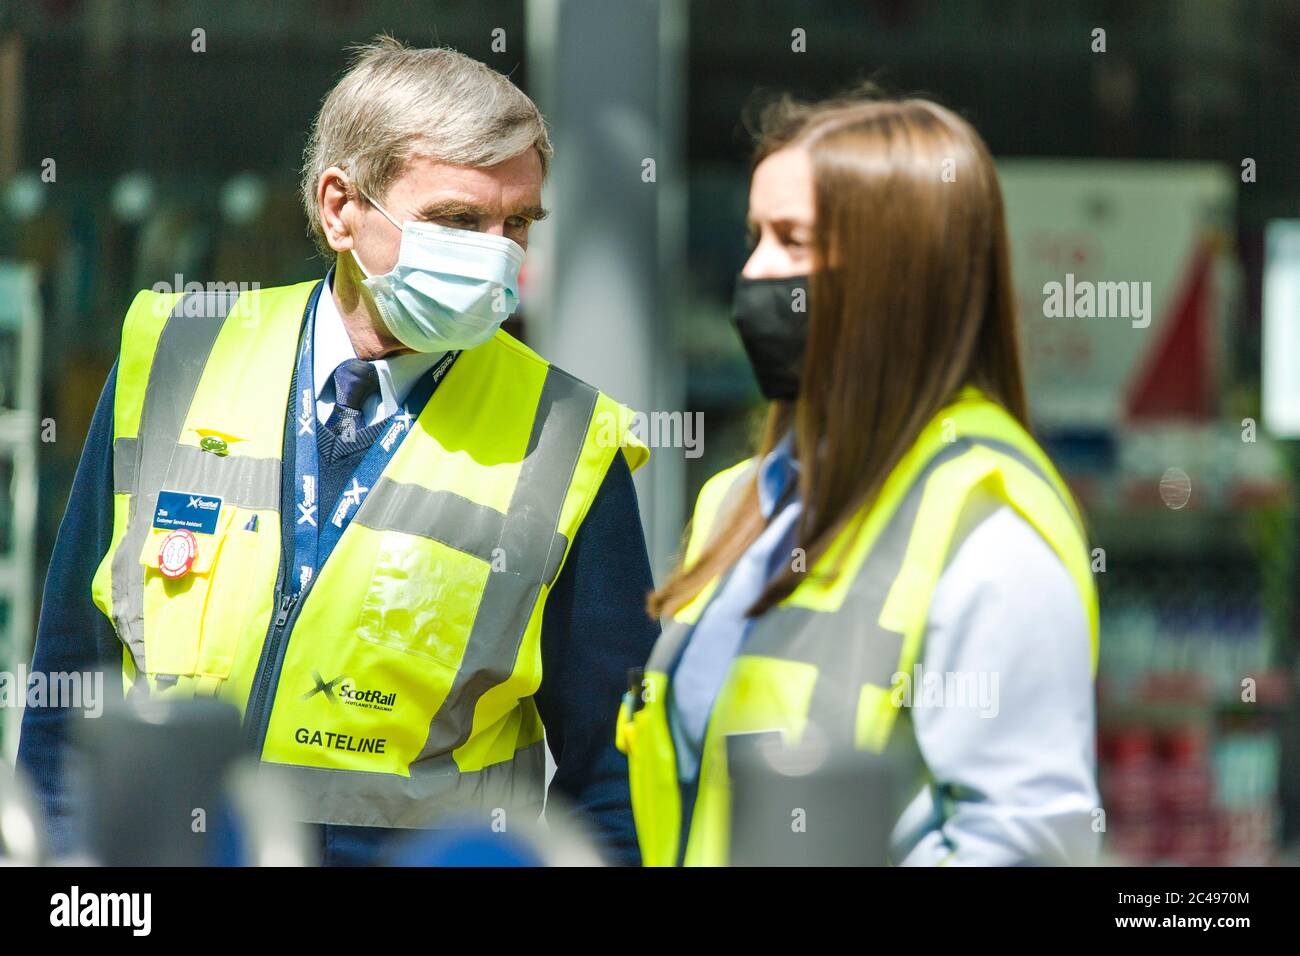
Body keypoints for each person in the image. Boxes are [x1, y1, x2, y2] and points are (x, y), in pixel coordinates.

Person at [19, 36, 659, 866]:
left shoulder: (568, 437)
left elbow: (612, 784)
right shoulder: (176, 350)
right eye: (459, 220)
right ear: (339, 207)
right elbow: (71, 677)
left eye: (518, 224)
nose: (499, 256)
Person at [618, 89, 1101, 866]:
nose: (755, 272)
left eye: (792, 241)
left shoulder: (988, 527)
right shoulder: (740, 502)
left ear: (897, 275)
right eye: (755, 237)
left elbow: (1021, 844)